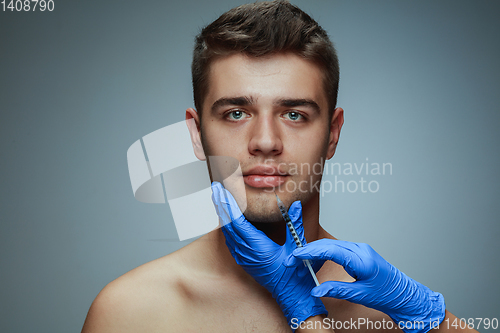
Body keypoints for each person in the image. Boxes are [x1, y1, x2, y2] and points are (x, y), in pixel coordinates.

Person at [82, 1, 478, 332]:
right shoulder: (130, 313)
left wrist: (432, 318)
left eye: (294, 114)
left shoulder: (384, 313)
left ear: (333, 133)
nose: (266, 141)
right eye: (236, 113)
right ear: (197, 133)